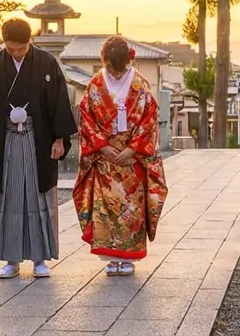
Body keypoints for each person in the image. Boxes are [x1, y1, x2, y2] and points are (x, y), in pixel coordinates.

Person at [0, 18, 78, 279]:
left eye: (21, 49)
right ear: (4, 42)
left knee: (39, 198)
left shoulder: (47, 63)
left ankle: (40, 259)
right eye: (11, 49)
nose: (15, 53)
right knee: (10, 199)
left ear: (30, 41)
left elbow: (60, 103)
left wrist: (60, 139)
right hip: (6, 141)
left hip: (39, 139)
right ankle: (11, 260)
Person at [72, 35, 168, 277]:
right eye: (109, 67)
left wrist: (133, 149)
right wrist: (102, 147)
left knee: (131, 209)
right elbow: (86, 119)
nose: (114, 72)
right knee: (105, 207)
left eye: (119, 67)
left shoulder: (140, 84)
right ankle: (110, 256)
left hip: (131, 158)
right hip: (105, 159)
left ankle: (128, 257)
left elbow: (149, 119)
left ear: (128, 61)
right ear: (103, 61)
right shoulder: (95, 84)